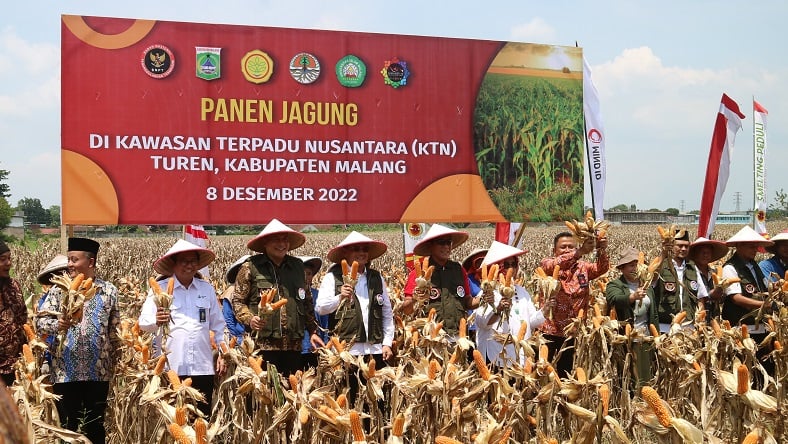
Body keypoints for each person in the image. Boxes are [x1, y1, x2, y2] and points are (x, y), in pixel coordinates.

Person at [36, 237, 120, 444]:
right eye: (69, 260)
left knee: (95, 424)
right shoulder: (57, 291)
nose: (70, 265)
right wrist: (58, 325)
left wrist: (118, 359)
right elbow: (39, 323)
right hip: (64, 372)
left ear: (90, 262)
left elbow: (114, 330)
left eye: (74, 260)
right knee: (68, 427)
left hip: (98, 372)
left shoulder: (108, 291)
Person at [138, 239, 227, 417]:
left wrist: (224, 353)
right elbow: (143, 322)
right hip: (170, 368)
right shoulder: (159, 290)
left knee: (202, 419)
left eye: (193, 261)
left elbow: (218, 325)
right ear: (174, 264)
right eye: (184, 261)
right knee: (172, 420)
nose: (189, 265)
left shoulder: (206, 289)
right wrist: (156, 320)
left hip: (202, 367)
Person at [231, 219, 324, 377]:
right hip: (262, 346)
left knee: (291, 394)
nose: (282, 244)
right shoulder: (250, 267)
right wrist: (249, 318)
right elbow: (238, 301)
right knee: (266, 394)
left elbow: (307, 303)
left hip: (293, 346)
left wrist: (313, 331)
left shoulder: (298, 267)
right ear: (265, 243)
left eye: (284, 239)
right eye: (276, 239)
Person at [316, 232, 394, 406]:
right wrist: (339, 297)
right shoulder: (332, 277)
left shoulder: (376, 277)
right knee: (350, 400)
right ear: (345, 253)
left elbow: (386, 312)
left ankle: (374, 432)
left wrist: (387, 342)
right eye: (356, 249)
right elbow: (320, 308)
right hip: (348, 352)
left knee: (377, 402)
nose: (362, 253)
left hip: (374, 349)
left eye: (364, 249)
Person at [538, 230, 608, 378]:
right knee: (545, 373)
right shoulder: (547, 265)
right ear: (554, 250)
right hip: (549, 331)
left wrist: (601, 248)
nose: (568, 250)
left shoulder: (583, 267)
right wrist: (580, 251)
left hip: (573, 332)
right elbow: (554, 265)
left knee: (567, 373)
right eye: (563, 247)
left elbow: (602, 268)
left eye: (572, 246)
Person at [401, 224, 478, 339]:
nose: (447, 247)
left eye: (449, 243)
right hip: (429, 339)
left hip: (457, 336)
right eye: (442, 242)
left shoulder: (458, 270)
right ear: (431, 245)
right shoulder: (418, 273)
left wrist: (483, 300)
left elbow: (467, 301)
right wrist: (415, 298)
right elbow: (406, 310)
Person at [475, 241, 544, 367]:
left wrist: (546, 310)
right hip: (496, 356)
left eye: (514, 264)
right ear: (497, 268)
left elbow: (531, 322)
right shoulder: (487, 293)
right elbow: (482, 323)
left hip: (520, 356)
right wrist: (499, 309)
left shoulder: (522, 291)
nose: (511, 269)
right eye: (506, 265)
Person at [722, 226, 775, 380]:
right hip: (743, 330)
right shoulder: (730, 268)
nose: (755, 250)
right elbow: (736, 298)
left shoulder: (755, 266)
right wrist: (763, 306)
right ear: (739, 246)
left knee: (763, 372)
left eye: (756, 246)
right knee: (746, 373)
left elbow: (764, 289)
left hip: (761, 329)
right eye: (751, 246)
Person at [605, 246, 657, 387]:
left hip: (646, 337)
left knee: (647, 376)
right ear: (622, 268)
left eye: (637, 265)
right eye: (631, 265)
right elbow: (614, 299)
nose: (635, 268)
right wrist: (632, 296)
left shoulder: (647, 285)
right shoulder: (615, 285)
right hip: (627, 340)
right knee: (630, 377)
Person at [653, 229, 700, 332]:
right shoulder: (661, 265)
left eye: (686, 246)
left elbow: (700, 297)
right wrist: (663, 254)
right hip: (665, 326)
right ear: (672, 246)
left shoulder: (693, 268)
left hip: (688, 327)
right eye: (679, 245)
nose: (683, 249)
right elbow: (650, 279)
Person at [0, 239, 27, 387]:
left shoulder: (14, 286)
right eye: (3, 259)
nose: (8, 263)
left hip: (15, 365)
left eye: (9, 258)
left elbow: (23, 318)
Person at [687, 237, 729, 319]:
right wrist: (710, 295)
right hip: (696, 318)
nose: (705, 255)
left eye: (708, 253)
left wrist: (721, 293)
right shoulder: (689, 273)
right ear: (695, 254)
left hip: (714, 317)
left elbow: (722, 299)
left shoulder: (715, 272)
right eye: (702, 252)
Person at [299, 256, 328, 370]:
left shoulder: (319, 295)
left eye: (309, 274)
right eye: (303, 274)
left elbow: (325, 323)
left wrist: (326, 344)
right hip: (296, 349)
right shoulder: (290, 297)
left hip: (315, 348)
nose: (306, 277)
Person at [221, 254, 251, 346]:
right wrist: (236, 336)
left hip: (251, 337)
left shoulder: (254, 290)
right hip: (239, 337)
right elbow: (228, 317)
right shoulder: (231, 291)